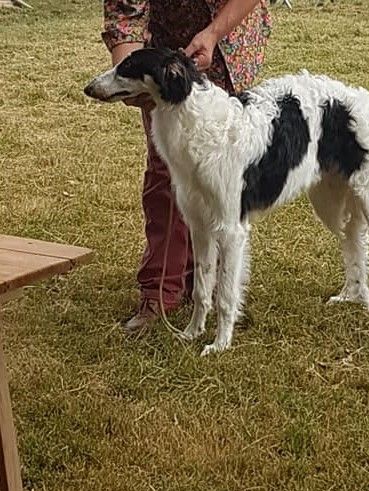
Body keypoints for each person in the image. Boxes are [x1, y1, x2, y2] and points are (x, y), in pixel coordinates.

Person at [102, 0, 271, 333]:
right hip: (166, 58)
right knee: (166, 171)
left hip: (231, 45)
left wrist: (214, 32)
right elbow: (125, 10)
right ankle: (160, 290)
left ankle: (219, 290)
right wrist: (127, 72)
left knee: (223, 178)